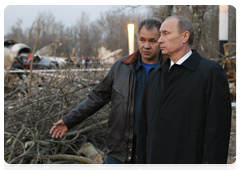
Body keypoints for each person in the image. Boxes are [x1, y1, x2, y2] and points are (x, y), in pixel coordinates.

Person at [50, 18, 166, 170]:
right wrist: (69, 120)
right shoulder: (122, 67)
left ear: (161, 41)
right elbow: (96, 98)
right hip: (120, 150)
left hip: (155, 150)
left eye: (152, 41)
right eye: (142, 39)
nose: (146, 45)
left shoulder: (169, 70)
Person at [136, 15, 232, 170]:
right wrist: (141, 164)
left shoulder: (210, 73)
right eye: (160, 34)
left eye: (166, 34)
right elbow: (145, 124)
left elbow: (217, 132)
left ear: (185, 36)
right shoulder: (155, 75)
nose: (160, 40)